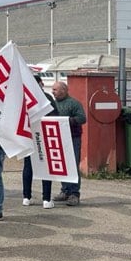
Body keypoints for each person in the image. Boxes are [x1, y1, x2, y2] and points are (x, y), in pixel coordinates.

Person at [22, 73, 59, 209]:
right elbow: (55, 116)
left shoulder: (23, 98)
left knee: (28, 167)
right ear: (41, 83)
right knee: (45, 167)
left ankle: (26, 197)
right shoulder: (46, 98)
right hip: (44, 136)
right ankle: (46, 199)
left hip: (28, 135)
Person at [51, 81, 87, 206]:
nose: (53, 92)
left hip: (73, 138)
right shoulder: (53, 104)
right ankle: (65, 191)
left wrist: (67, 121)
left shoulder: (74, 103)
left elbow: (82, 118)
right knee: (62, 165)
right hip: (58, 137)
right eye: (53, 89)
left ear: (63, 90)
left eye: (55, 89)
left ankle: (74, 194)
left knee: (72, 165)